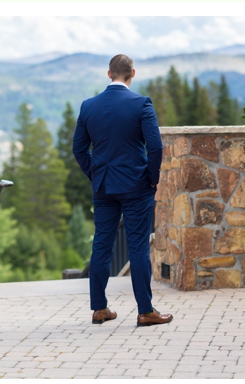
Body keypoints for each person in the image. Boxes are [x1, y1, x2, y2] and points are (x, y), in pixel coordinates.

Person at [73, 53, 173, 330]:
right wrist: (151, 179)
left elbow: (79, 149)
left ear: (108, 74)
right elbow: (155, 147)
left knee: (101, 246)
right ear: (133, 73)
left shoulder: (89, 105)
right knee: (138, 246)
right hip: (136, 186)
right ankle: (145, 311)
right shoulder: (141, 104)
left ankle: (99, 309)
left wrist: (95, 173)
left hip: (103, 186)